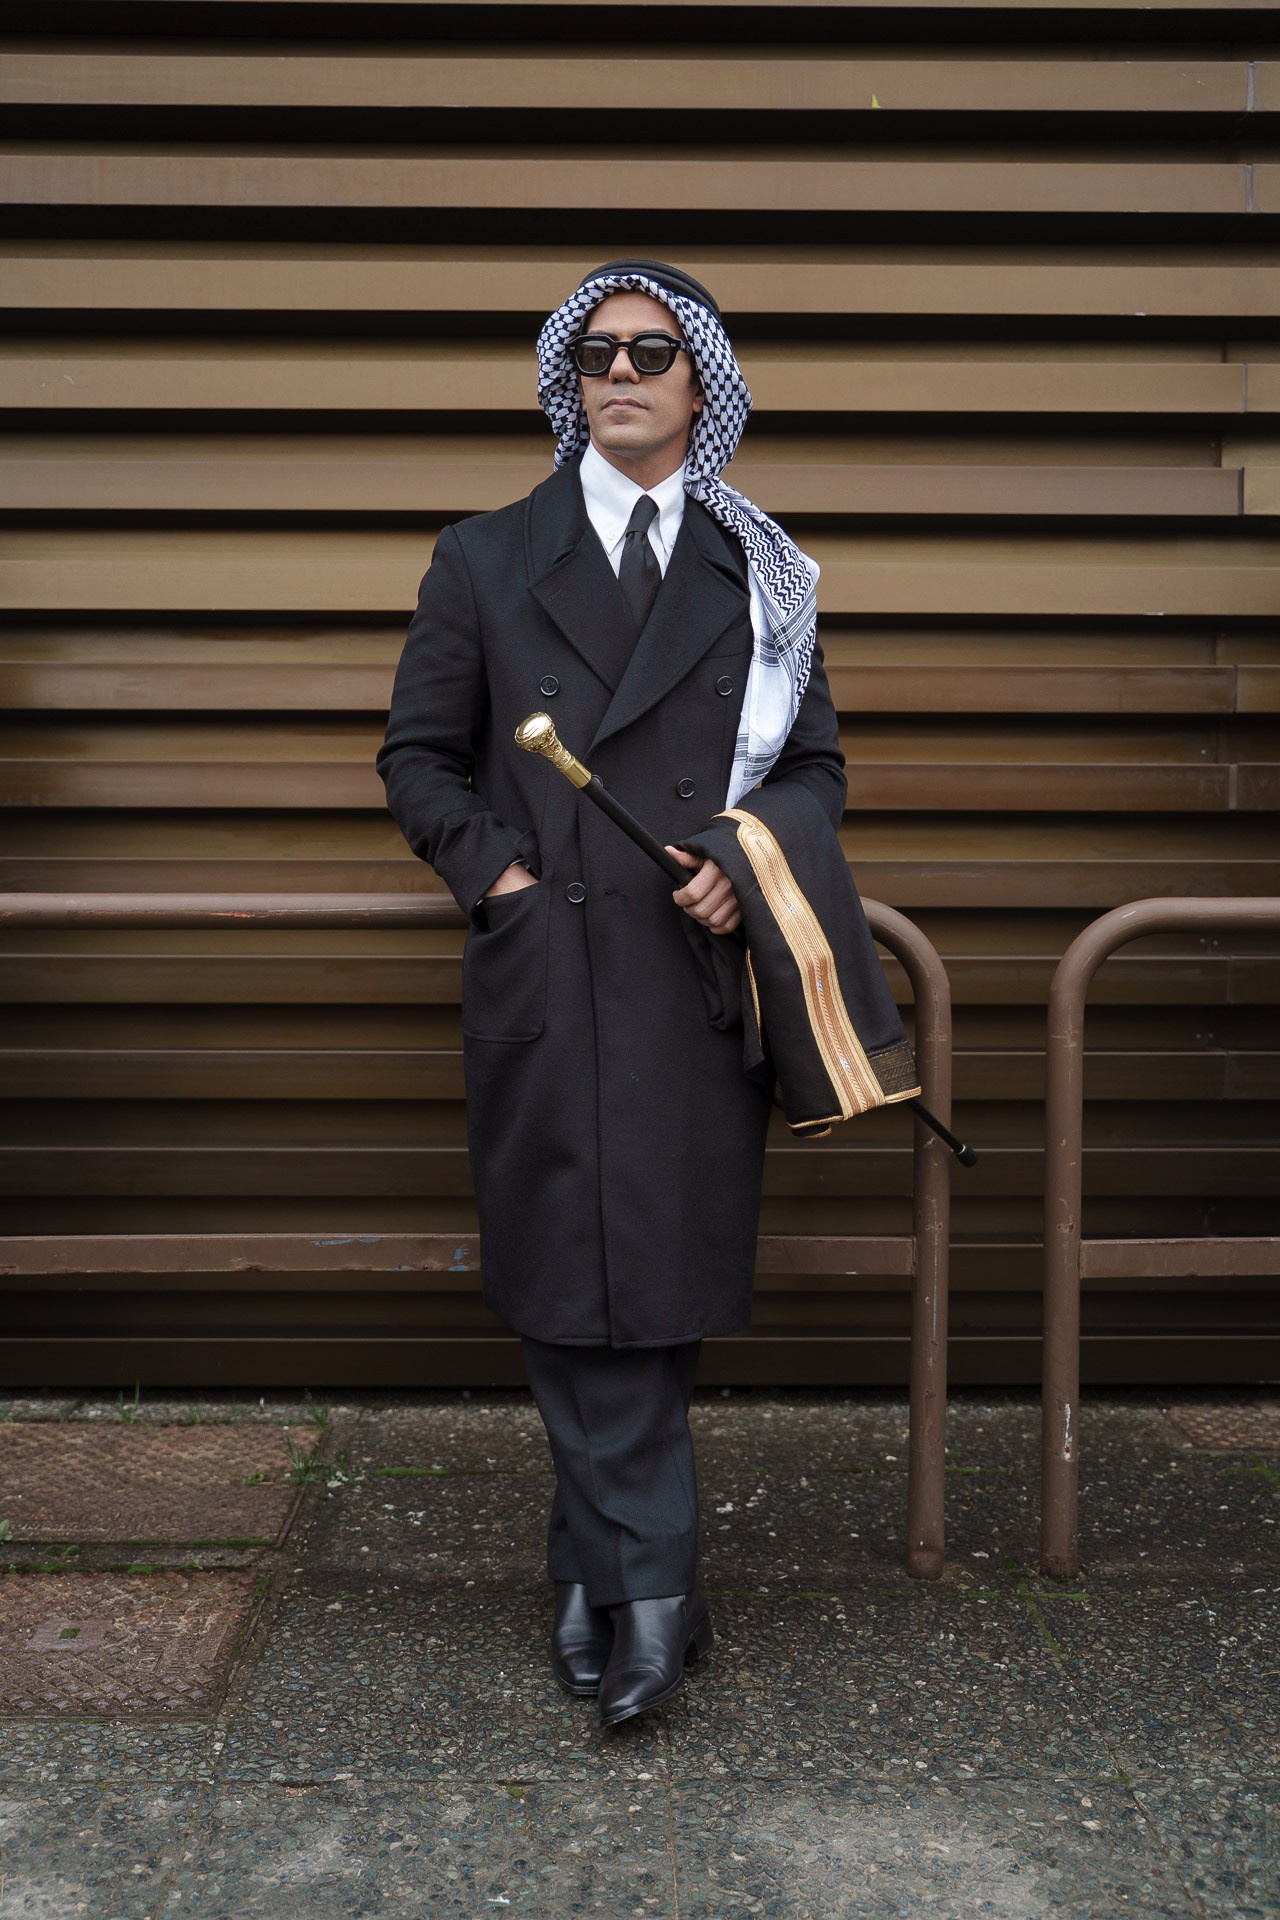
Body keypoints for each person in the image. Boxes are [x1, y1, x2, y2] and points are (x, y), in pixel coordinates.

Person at [377, 259, 846, 1727]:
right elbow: (416, 759)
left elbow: (816, 774)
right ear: (567, 384)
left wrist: (739, 857)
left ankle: (602, 1566)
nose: (623, 373)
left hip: (694, 979)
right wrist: (500, 880)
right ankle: (652, 1587)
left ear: (701, 383)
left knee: (646, 1279)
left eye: (654, 352)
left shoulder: (760, 574)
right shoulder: (483, 558)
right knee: (569, 1275)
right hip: (551, 969)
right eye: (596, 355)